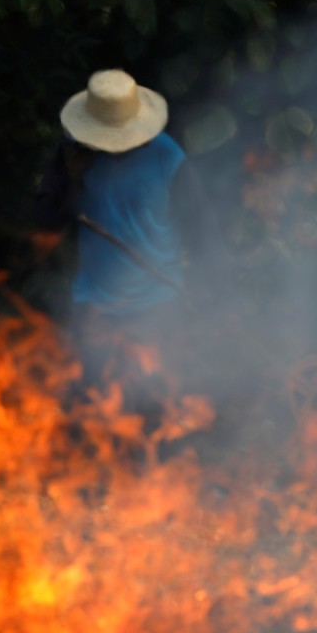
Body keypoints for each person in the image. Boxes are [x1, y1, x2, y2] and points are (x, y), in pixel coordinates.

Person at [34, 69, 232, 401]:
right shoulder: (75, 155)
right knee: (94, 406)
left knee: (152, 406)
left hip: (157, 306)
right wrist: (71, 178)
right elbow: (45, 223)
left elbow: (203, 232)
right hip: (94, 307)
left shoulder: (168, 158)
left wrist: (222, 295)